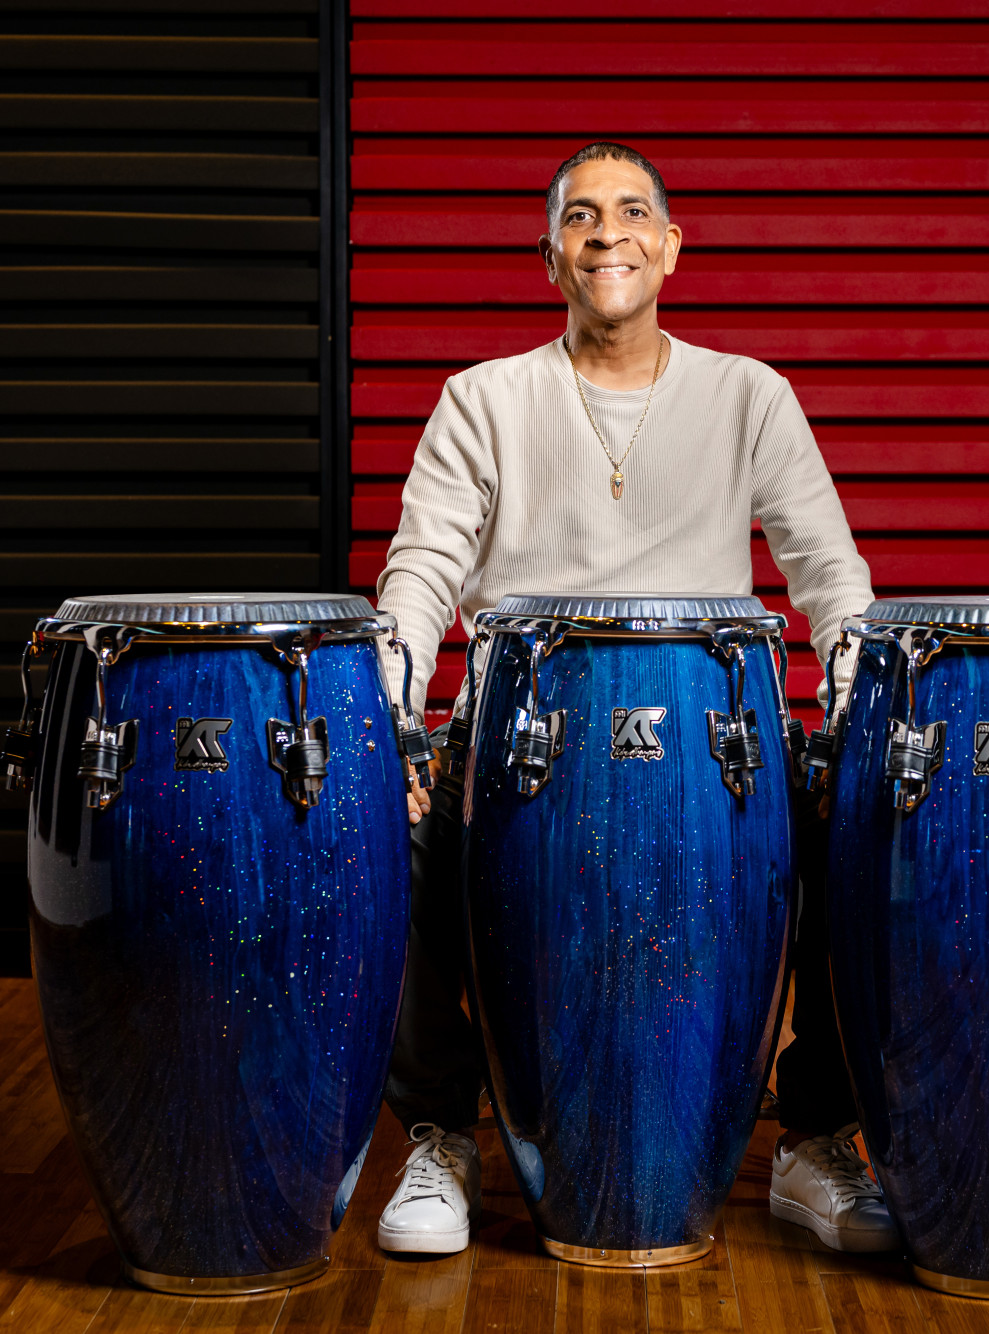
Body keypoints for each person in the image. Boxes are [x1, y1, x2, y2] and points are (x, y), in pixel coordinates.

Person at [371, 141, 896, 1256]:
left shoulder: (749, 394)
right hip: (513, 746)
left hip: (711, 750)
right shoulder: (482, 399)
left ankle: (812, 1139)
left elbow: (829, 573)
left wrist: (855, 703)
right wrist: (393, 717)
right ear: (549, 257)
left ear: (669, 247)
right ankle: (442, 1134)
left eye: (630, 212)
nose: (606, 231)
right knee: (387, 831)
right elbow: (419, 573)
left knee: (860, 826)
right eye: (579, 216)